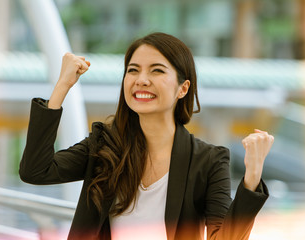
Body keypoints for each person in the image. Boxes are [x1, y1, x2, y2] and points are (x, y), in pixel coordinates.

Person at [19, 32, 274, 240]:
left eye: (157, 71)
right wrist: (62, 86)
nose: (141, 80)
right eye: (133, 70)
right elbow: (35, 171)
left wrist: (252, 178)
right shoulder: (105, 144)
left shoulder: (208, 160)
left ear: (183, 88)